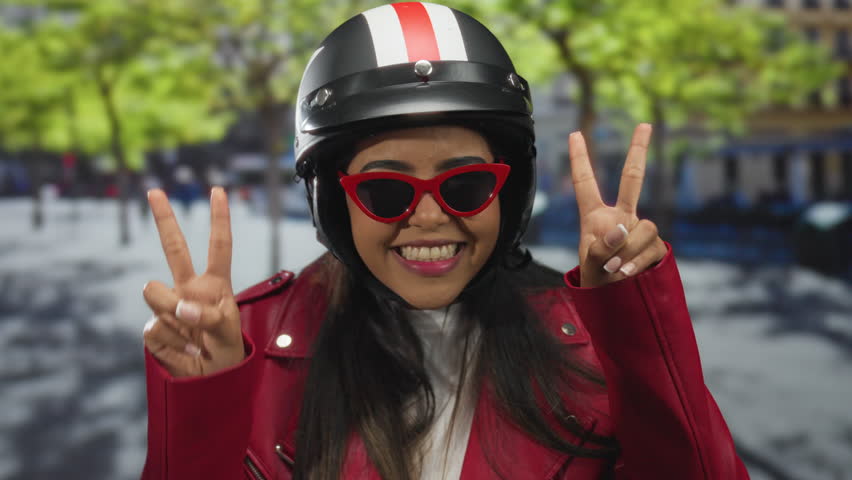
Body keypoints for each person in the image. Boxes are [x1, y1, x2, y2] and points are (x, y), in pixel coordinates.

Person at [139, 3, 750, 479]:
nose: (429, 217)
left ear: (509, 195)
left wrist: (633, 327)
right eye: (384, 193)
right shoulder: (242, 346)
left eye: (466, 186)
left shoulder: (594, 338)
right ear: (331, 202)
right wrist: (204, 404)